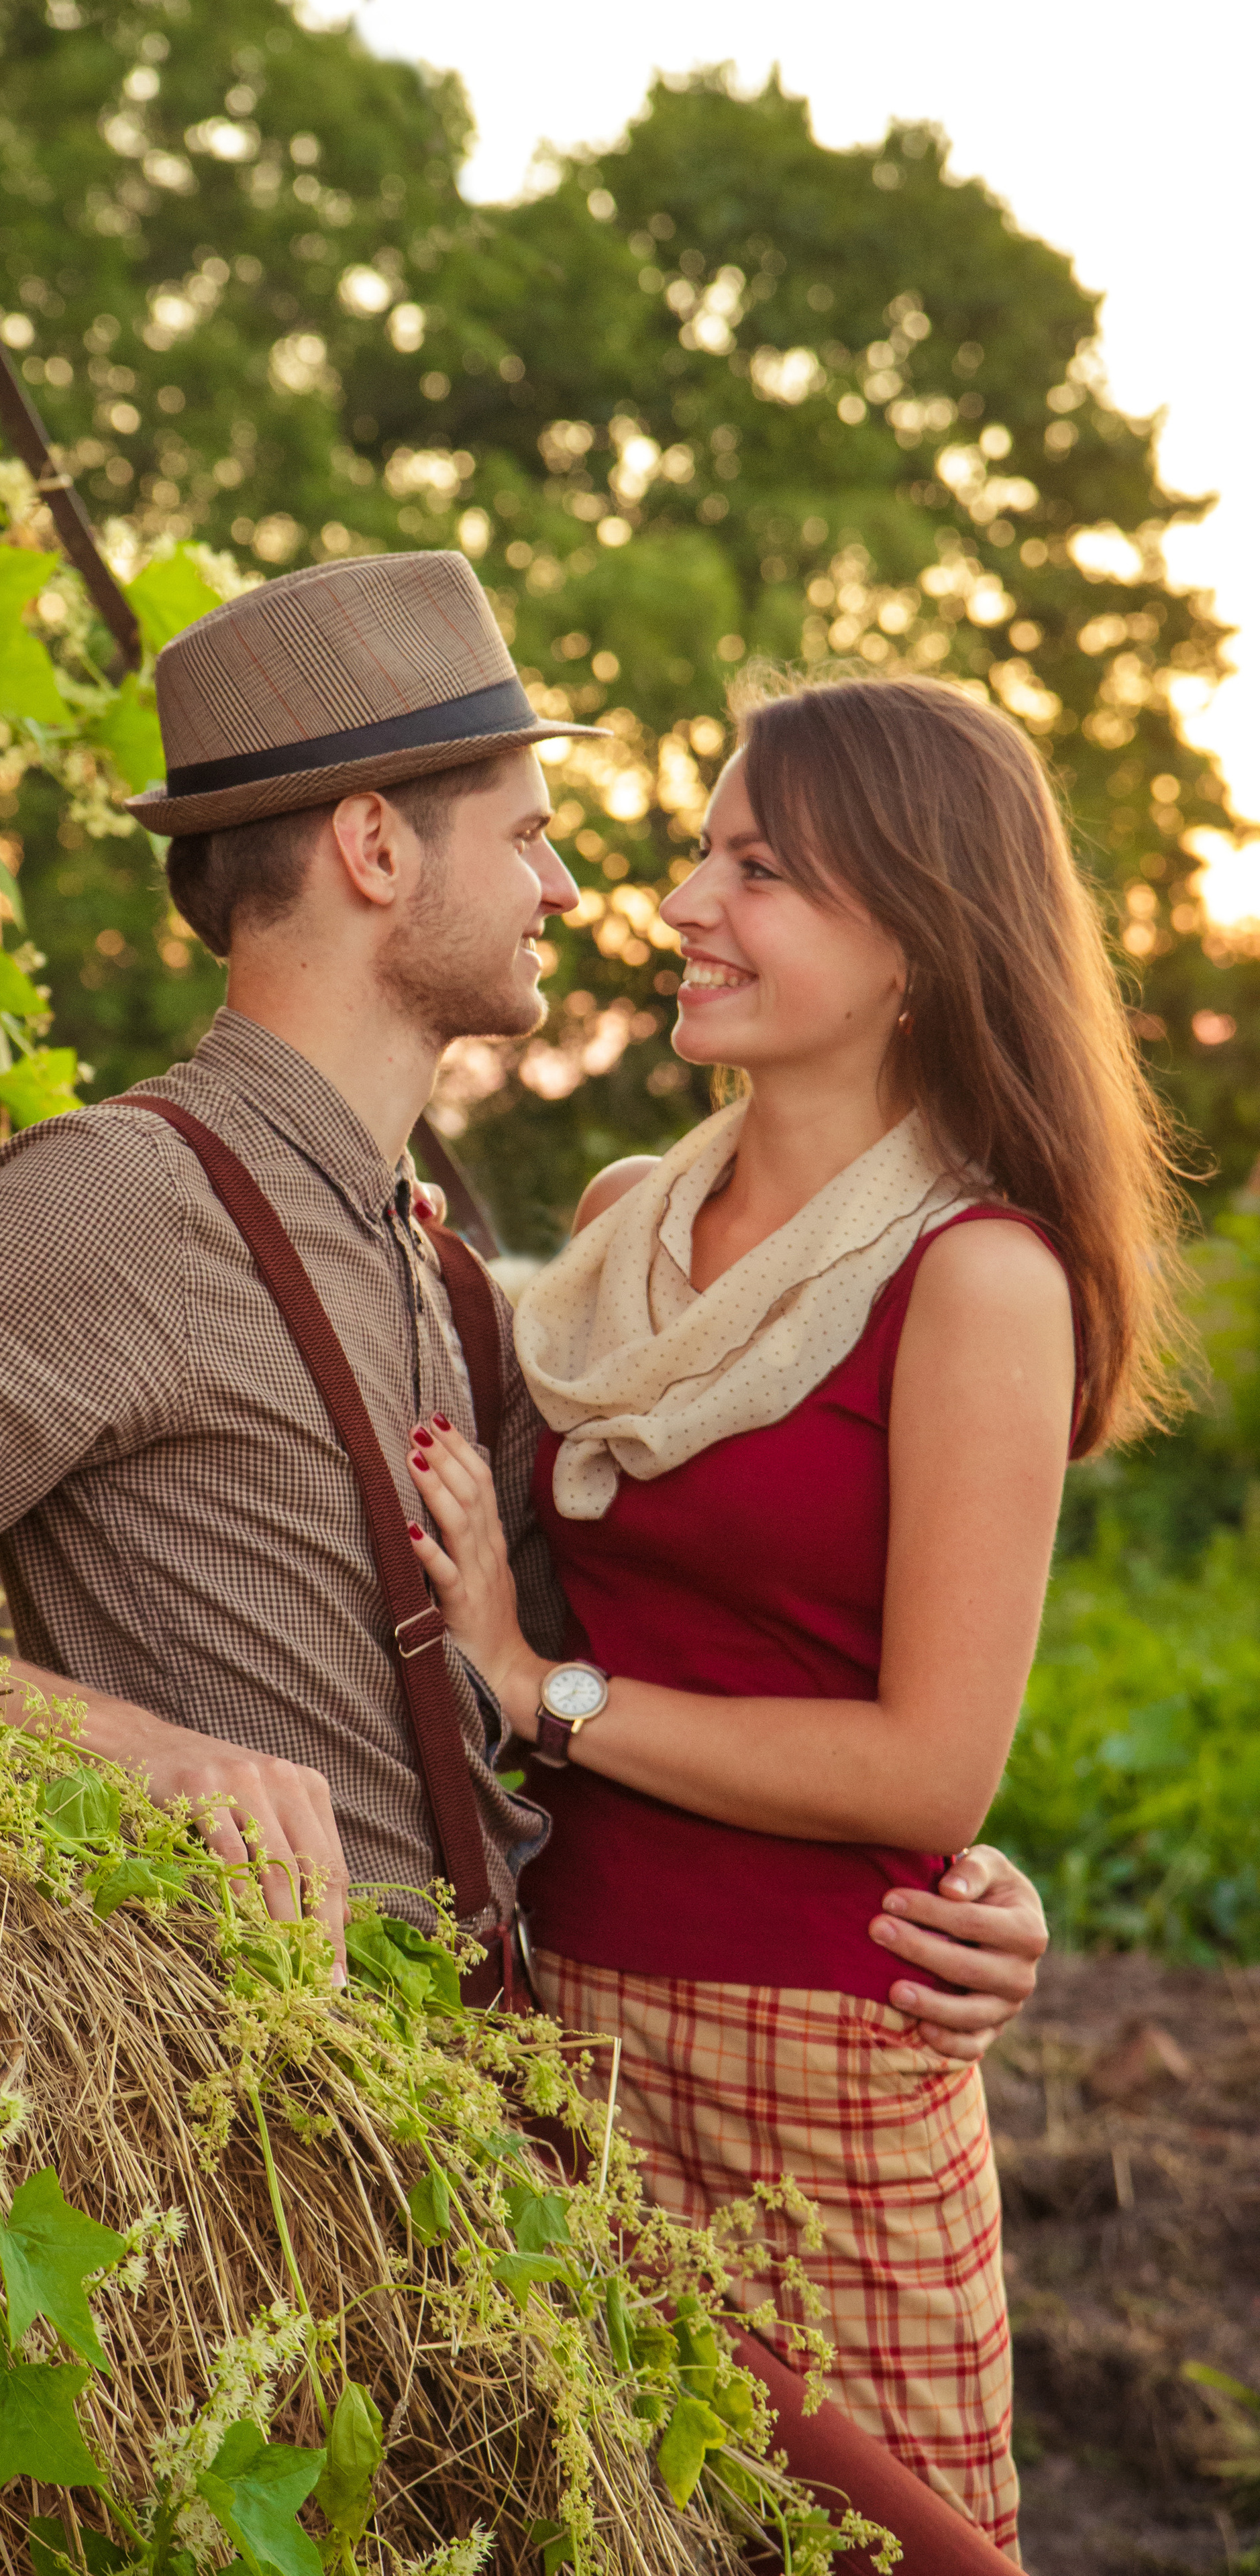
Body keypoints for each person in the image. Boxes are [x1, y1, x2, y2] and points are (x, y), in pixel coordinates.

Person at [0, 559, 1047, 2545]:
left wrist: (948, 1864)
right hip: (252, 2174)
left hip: (504, 2160)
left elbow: (614, 1677)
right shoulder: (123, 1202)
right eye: (530, 835)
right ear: (374, 850)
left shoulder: (444, 1267)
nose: (576, 890)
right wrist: (115, 1747)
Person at [400, 665, 1184, 2558]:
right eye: (702, 853)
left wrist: (541, 1687)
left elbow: (931, 1770)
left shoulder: (977, 1278)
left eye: (757, 870)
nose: (684, 903)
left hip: (821, 2072)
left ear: (915, 937)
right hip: (560, 2018)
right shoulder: (622, 1222)